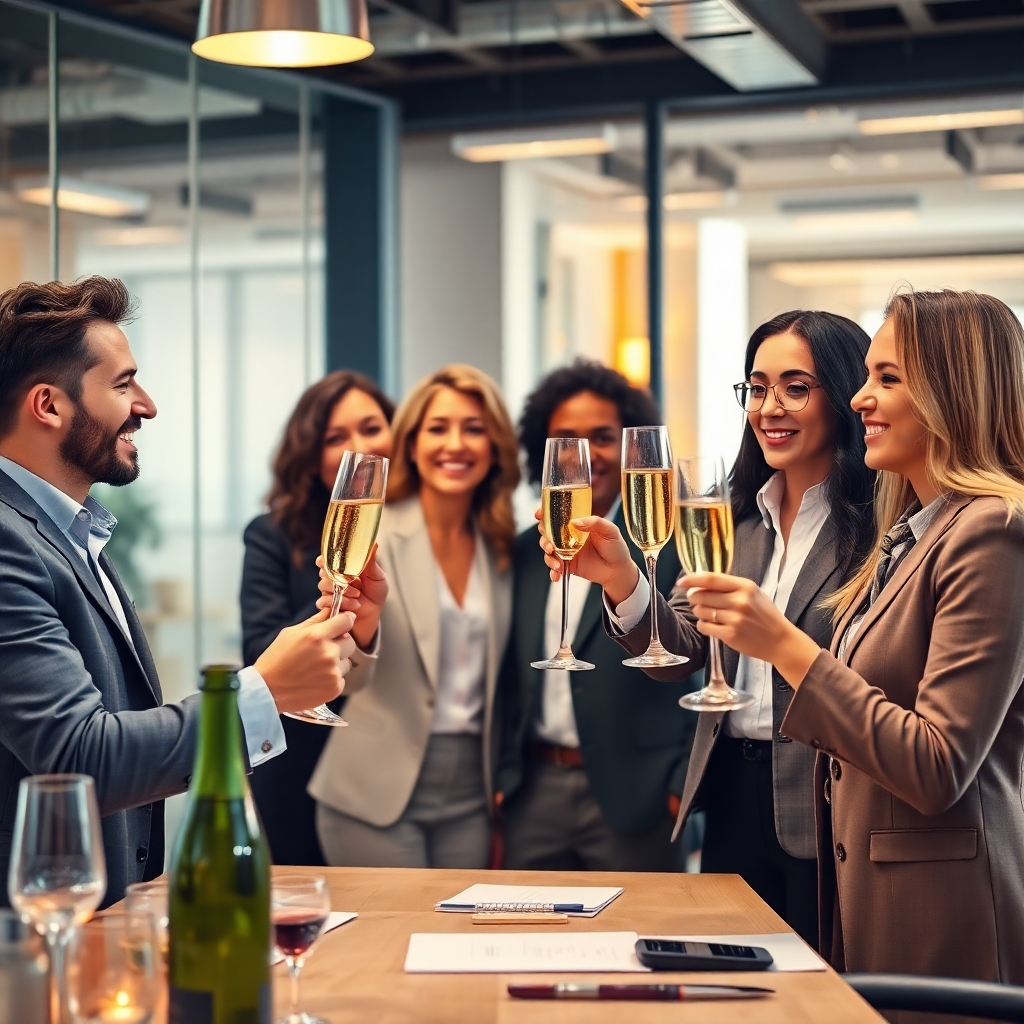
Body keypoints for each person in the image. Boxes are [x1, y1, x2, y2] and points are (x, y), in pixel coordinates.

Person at [680, 290, 1024, 988]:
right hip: (861, 886)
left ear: (953, 390)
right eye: (865, 376)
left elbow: (937, 764)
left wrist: (787, 648)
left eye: (887, 378)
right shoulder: (911, 533)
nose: (860, 398)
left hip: (940, 913)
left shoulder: (993, 531)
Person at [0, 277, 354, 905]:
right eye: (121, 384)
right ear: (49, 406)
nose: (147, 405)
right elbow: (82, 759)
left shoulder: (69, 532)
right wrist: (263, 690)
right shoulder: (8, 542)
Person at [543, 315, 875, 943]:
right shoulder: (731, 513)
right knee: (734, 980)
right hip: (727, 790)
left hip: (823, 801)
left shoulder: (878, 526)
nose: (769, 408)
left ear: (843, 394)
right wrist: (620, 580)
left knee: (816, 989)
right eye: (757, 387)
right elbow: (680, 654)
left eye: (796, 388)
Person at [309, 364, 520, 868]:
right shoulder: (371, 529)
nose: (456, 444)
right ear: (410, 442)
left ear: (494, 446)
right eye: (437, 428)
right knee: (389, 946)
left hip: (472, 798)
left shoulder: (505, 550)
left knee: (453, 945)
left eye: (474, 428)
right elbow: (344, 682)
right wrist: (360, 628)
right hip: (372, 794)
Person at [496, 360, 694, 872]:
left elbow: (708, 660)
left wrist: (679, 788)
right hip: (532, 794)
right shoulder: (523, 552)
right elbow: (508, 679)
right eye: (566, 439)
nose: (585, 456)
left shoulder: (666, 543)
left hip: (639, 798)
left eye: (602, 438)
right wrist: (504, 780)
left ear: (628, 448)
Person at [242, 371, 395, 865]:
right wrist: (338, 597)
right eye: (336, 438)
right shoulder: (272, 535)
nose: (358, 447)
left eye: (372, 428)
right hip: (299, 767)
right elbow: (259, 652)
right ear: (311, 456)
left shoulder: (420, 526)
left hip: (391, 778)